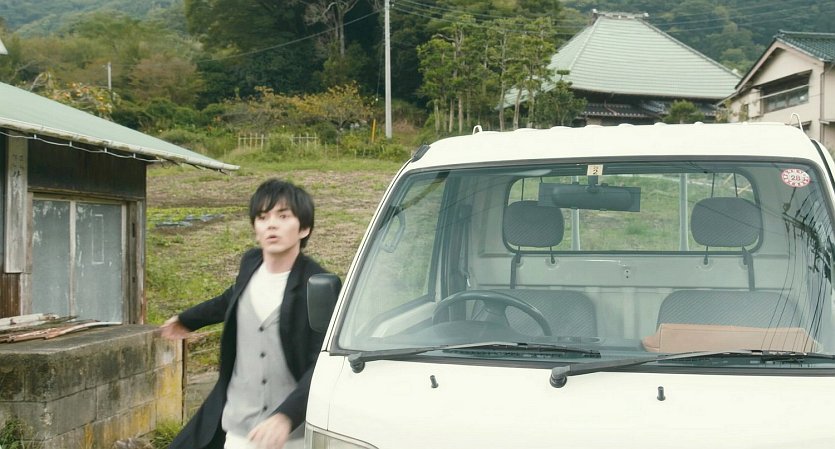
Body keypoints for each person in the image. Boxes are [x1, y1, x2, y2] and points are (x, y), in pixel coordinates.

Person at [160, 178, 331, 449]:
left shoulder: (318, 284)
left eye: (283, 216)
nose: (271, 224)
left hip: (293, 436)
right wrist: (187, 320)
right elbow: (230, 298)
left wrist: (286, 416)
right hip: (239, 429)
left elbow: (323, 364)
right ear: (255, 229)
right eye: (263, 217)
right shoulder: (250, 264)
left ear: (304, 228)